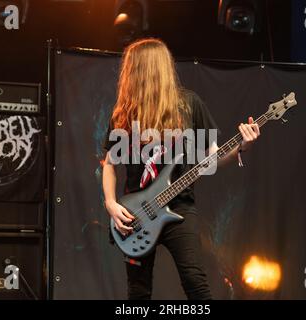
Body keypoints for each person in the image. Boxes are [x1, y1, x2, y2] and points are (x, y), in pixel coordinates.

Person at [102, 38, 260, 300]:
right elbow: (109, 164)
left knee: (195, 284)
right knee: (138, 292)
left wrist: (242, 147)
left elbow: (211, 158)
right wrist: (110, 203)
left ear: (144, 69)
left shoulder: (189, 104)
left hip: (180, 209)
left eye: (131, 67)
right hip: (134, 216)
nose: (126, 73)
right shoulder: (124, 113)